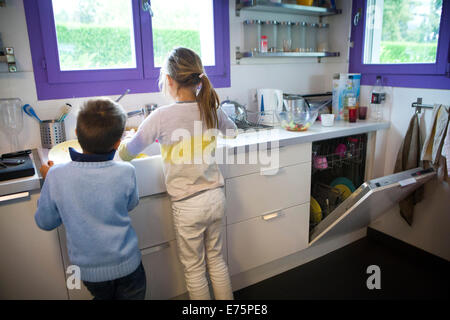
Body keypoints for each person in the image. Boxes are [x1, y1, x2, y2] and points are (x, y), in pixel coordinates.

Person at [119, 47, 237, 300]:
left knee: (194, 270)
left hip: (187, 205)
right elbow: (232, 131)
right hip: (215, 198)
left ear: (170, 81)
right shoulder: (211, 108)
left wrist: (122, 140)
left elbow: (127, 154)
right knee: (216, 261)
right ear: (197, 79)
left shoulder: (161, 116)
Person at [35, 98, 146, 300]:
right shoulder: (126, 171)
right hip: (129, 267)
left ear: (77, 135)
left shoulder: (57, 175)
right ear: (117, 143)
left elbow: (45, 221)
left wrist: (49, 181)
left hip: (90, 274)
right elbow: (131, 204)